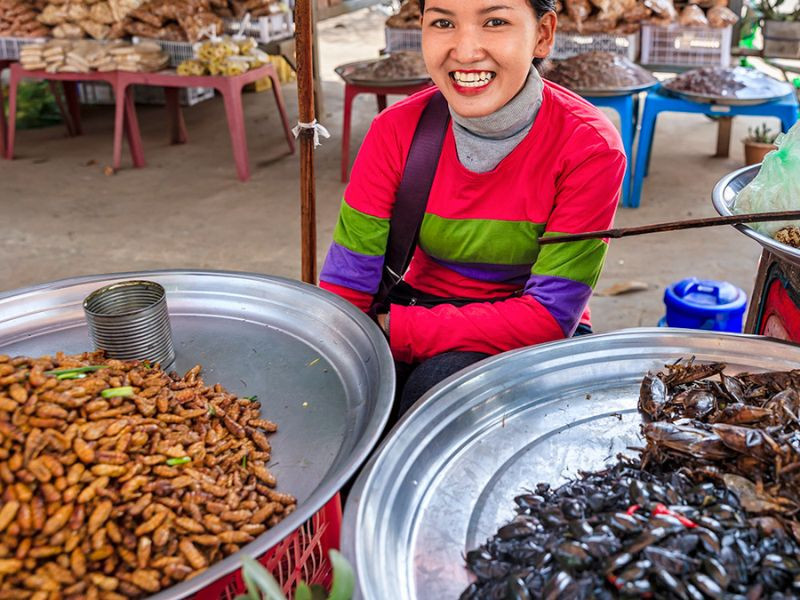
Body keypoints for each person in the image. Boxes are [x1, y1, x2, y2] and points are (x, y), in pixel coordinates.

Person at [320, 0, 626, 416]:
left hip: (530, 322)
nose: (465, 52)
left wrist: (392, 329)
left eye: (495, 22)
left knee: (439, 396)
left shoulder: (589, 147)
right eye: (443, 22)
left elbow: (549, 316)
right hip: (417, 302)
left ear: (543, 34)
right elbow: (346, 288)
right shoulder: (395, 132)